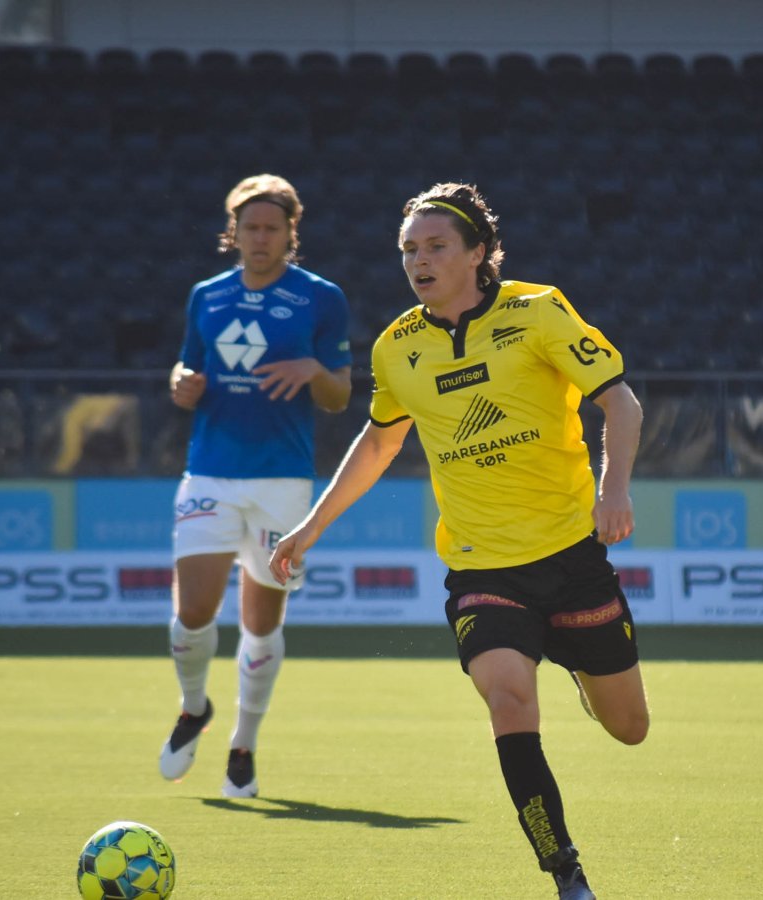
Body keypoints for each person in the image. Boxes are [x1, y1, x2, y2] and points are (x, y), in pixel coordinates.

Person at [270, 183, 649, 900]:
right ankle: (565, 871)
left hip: (571, 558)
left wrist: (615, 488)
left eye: (436, 245)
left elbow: (619, 400)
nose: (419, 260)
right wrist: (309, 528)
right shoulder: (396, 347)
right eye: (409, 249)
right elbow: (378, 445)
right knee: (509, 699)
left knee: (629, 728)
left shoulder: (540, 311)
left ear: (479, 252)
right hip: (482, 569)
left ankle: (573, 664)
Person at [158, 174, 352, 798]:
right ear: (233, 233)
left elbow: (341, 395)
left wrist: (314, 368)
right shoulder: (206, 296)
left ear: (290, 235)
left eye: (272, 228)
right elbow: (188, 368)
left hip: (283, 481)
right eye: (251, 227)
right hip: (210, 469)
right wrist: (181, 383)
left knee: (260, 624)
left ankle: (243, 743)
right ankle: (194, 707)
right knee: (191, 613)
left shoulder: (321, 298)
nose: (260, 238)